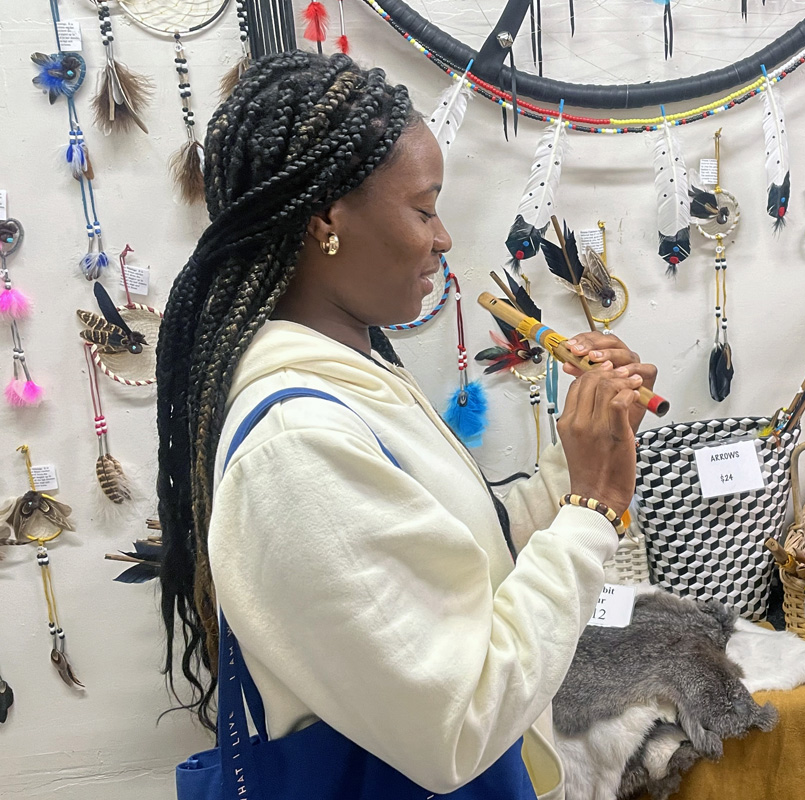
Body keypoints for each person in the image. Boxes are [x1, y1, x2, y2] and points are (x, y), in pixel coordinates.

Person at [156, 51, 658, 799]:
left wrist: (586, 457)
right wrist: (590, 510)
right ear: (325, 216)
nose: (444, 238)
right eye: (424, 209)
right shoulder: (298, 441)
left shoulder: (357, 380)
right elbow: (457, 725)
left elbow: (469, 560)